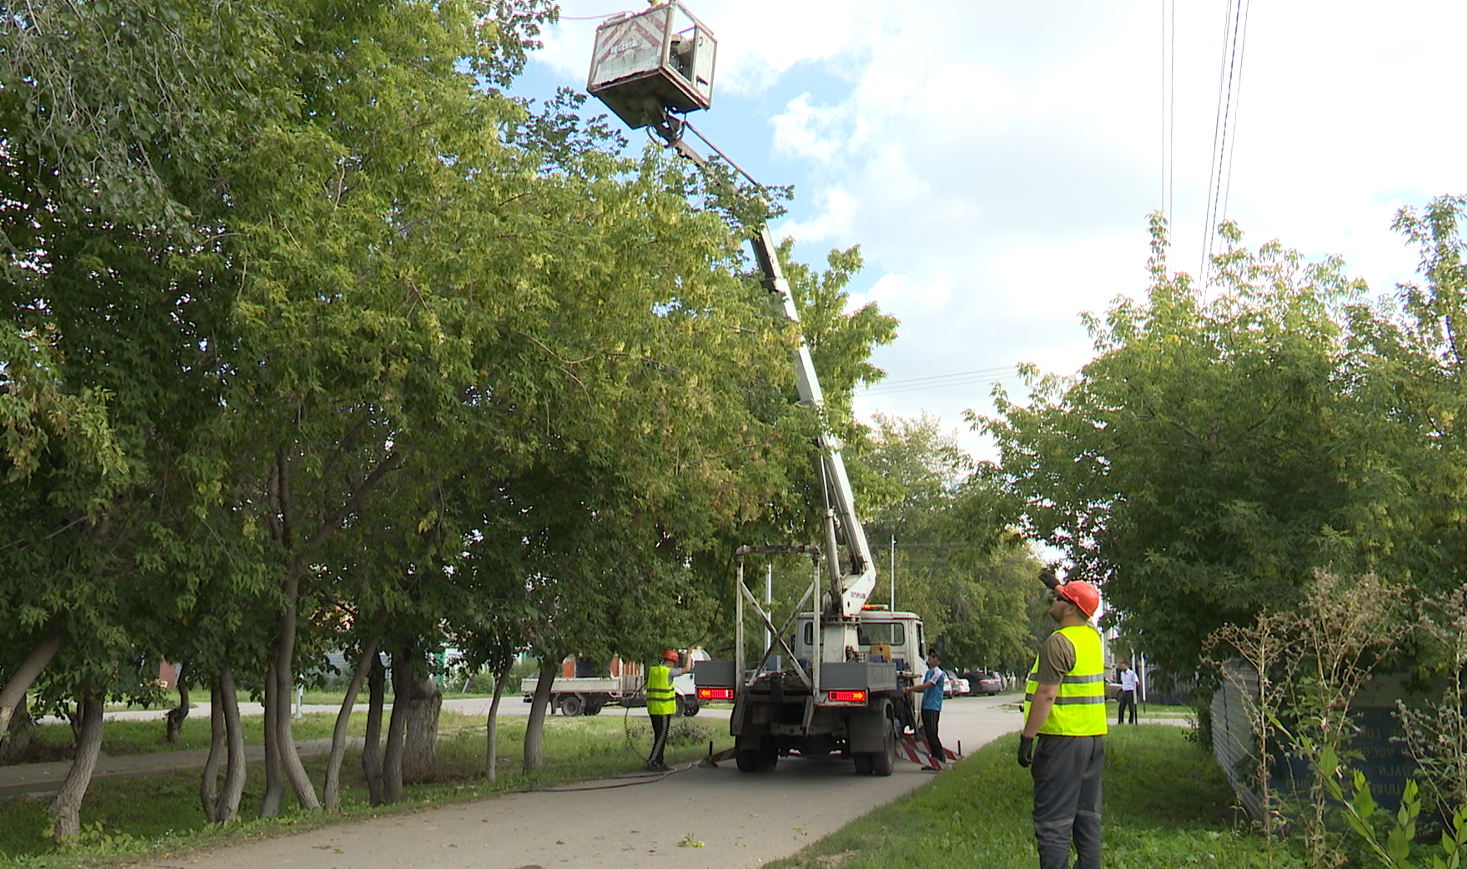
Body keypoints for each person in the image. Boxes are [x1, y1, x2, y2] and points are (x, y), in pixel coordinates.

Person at [1018, 576, 1107, 869]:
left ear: (1070, 610)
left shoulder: (1059, 643)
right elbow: (1085, 611)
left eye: (1059, 600)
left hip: (1062, 742)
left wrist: (1027, 738)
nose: (1053, 602)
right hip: (1093, 740)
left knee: (1054, 821)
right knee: (1087, 819)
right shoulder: (1092, 638)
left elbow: (1046, 694)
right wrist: (1060, 587)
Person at [904, 650, 947, 771]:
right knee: (928, 734)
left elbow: (926, 686)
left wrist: (908, 689)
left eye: (933, 657)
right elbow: (922, 689)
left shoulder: (938, 673)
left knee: (932, 734)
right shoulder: (929, 673)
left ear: (938, 661)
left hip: (933, 707)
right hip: (926, 707)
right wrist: (911, 690)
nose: (930, 658)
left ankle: (939, 759)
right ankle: (934, 760)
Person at [646, 649, 685, 772]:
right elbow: (687, 669)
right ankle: (653, 761)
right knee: (661, 736)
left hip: (653, 709)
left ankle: (659, 761)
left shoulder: (654, 670)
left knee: (660, 735)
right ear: (673, 661)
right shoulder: (668, 672)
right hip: (663, 709)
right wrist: (689, 655)